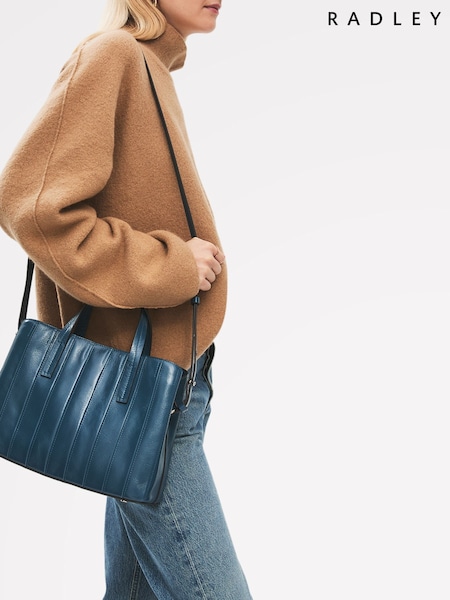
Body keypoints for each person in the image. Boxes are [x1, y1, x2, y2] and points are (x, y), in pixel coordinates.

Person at [0, 0, 253, 598]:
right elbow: (31, 207)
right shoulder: (112, 55)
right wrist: (170, 265)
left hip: (167, 386)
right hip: (139, 396)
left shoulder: (148, 68)